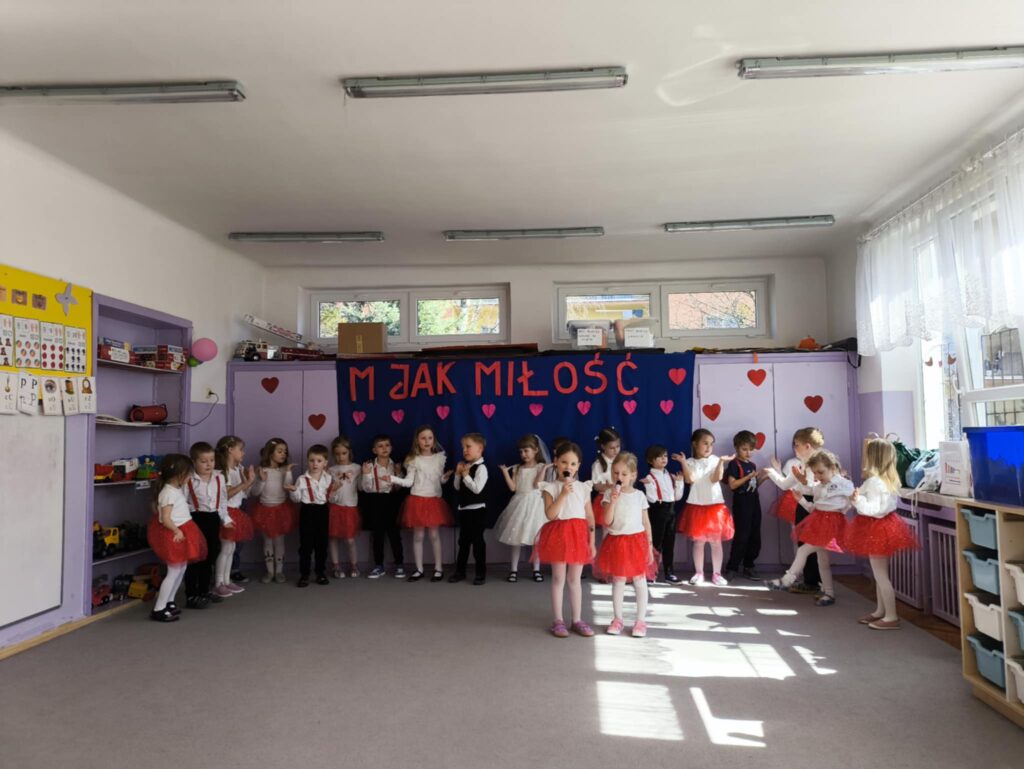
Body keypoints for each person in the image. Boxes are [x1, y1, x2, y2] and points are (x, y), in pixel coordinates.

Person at [846, 438, 919, 629]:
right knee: (881, 574)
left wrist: (857, 500)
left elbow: (873, 510)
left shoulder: (874, 482)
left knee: (880, 576)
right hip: (886, 527)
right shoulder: (889, 480)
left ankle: (891, 617)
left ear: (872, 458)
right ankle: (881, 611)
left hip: (876, 527)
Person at [766, 449, 853, 606]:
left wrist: (847, 507)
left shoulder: (844, 484)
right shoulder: (818, 487)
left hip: (832, 526)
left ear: (833, 468)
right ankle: (829, 594)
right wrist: (801, 500)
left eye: (821, 472)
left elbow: (851, 501)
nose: (818, 476)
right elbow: (814, 508)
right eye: (815, 473)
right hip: (819, 523)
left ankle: (787, 580)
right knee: (822, 561)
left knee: (803, 550)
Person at [537, 441, 596, 638]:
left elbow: (589, 516)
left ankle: (577, 619)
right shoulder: (550, 487)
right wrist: (562, 494)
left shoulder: (583, 488)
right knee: (558, 578)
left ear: (578, 466)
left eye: (572, 463)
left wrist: (592, 541)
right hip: (558, 534)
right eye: (564, 462)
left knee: (574, 579)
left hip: (578, 535)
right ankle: (558, 620)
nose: (568, 467)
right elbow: (550, 514)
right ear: (556, 462)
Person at [598, 452, 654, 638]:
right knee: (619, 579)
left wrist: (650, 547)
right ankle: (618, 618)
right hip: (617, 541)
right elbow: (607, 521)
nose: (619, 477)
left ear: (633, 475)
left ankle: (640, 621)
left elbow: (646, 523)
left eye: (624, 474)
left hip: (637, 542)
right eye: (616, 473)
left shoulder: (639, 495)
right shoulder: (609, 493)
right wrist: (613, 501)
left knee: (639, 580)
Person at [763, 427, 825, 594]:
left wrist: (805, 484)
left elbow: (822, 488)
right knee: (803, 544)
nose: (794, 448)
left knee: (814, 547)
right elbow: (785, 484)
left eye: (797, 445)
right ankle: (811, 582)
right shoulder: (800, 464)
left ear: (807, 446)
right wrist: (771, 472)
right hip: (802, 504)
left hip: (815, 505)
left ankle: (817, 583)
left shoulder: (821, 463)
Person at [390, 425, 453, 582]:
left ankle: (438, 568)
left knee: (434, 535)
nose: (427, 441)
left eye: (430, 438)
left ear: (434, 440)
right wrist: (391, 478)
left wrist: (445, 478)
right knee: (418, 536)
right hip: (417, 500)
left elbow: (439, 480)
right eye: (423, 438)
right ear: (417, 441)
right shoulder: (413, 460)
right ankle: (419, 569)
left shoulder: (439, 458)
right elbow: (408, 482)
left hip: (434, 500)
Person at [147, 454, 207, 622]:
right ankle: (159, 608)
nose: (190, 477)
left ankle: (169, 602)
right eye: (188, 474)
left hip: (182, 531)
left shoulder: (175, 490)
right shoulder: (167, 493)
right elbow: (165, 518)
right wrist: (176, 531)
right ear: (179, 474)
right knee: (173, 571)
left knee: (181, 568)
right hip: (174, 534)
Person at [673, 430, 735, 586]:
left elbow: (716, 478)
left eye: (711, 444)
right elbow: (690, 479)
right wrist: (683, 462)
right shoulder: (691, 462)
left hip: (715, 506)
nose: (709, 447)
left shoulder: (715, 460)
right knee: (699, 542)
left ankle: (716, 574)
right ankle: (699, 573)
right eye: (705, 443)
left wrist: (721, 462)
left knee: (716, 542)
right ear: (695, 444)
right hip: (697, 507)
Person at [184, 442, 233, 606]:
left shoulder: (219, 477)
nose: (209, 464)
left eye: (211, 460)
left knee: (210, 555)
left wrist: (226, 519)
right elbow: (182, 502)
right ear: (194, 462)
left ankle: (204, 590)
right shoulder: (189, 479)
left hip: (213, 519)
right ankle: (191, 594)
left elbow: (223, 501)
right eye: (203, 461)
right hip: (195, 519)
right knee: (194, 557)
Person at [495, 434, 549, 583]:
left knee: (536, 540)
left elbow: (537, 485)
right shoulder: (517, 468)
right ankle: (513, 570)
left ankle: (536, 569)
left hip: (535, 505)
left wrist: (543, 469)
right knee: (516, 538)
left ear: (536, 450)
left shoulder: (540, 467)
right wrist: (505, 473)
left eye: (526, 451)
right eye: (521, 452)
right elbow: (513, 488)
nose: (523, 454)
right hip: (519, 503)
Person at [250, 438, 296, 584]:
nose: (283, 454)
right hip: (264, 511)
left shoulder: (283, 470)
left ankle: (279, 571)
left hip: (281, 510)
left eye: (285, 452)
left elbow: (288, 487)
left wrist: (288, 472)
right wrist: (262, 480)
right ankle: (270, 571)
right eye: (279, 451)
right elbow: (255, 493)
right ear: (270, 453)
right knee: (268, 541)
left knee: (279, 541)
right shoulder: (261, 470)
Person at [360, 434, 406, 579]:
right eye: (380, 446)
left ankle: (399, 564)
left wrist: (398, 474)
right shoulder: (369, 466)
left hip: (392, 501)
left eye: (387, 445)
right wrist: (366, 474)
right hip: (375, 501)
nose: (384, 448)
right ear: (374, 450)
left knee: (394, 534)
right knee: (377, 535)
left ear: (391, 448)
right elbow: (365, 488)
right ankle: (378, 565)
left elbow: (398, 488)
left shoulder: (395, 466)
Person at [214, 435, 255, 596]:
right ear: (230, 450)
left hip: (236, 511)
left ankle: (227, 580)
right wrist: (245, 483)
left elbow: (243, 494)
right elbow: (225, 495)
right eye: (241, 449)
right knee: (225, 548)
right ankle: (219, 582)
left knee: (231, 548)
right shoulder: (221, 472)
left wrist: (249, 483)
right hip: (226, 512)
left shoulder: (237, 469)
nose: (243, 453)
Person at [289, 444, 334, 587]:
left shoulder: (328, 478)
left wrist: (335, 490)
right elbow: (296, 499)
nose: (315, 464)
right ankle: (304, 574)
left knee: (322, 544)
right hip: (307, 511)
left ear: (325, 463)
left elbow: (330, 498)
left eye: (319, 461)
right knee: (306, 545)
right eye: (312, 460)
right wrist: (294, 491)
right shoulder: (302, 479)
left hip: (322, 511)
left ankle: (320, 573)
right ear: (307, 461)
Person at [641, 444, 685, 584]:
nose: (663, 459)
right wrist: (648, 485)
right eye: (659, 457)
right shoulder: (650, 477)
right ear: (650, 460)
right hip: (657, 511)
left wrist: (679, 482)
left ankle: (669, 572)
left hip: (671, 511)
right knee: (655, 544)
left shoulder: (670, 476)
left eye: (665, 456)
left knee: (669, 544)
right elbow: (652, 499)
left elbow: (677, 497)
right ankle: (651, 572)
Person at [450, 432, 489, 585]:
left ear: (480, 448)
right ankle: (460, 571)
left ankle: (480, 573)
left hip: (477, 511)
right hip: (464, 510)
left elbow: (477, 489)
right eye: (463, 448)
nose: (465, 450)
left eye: (468, 447)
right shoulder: (465, 466)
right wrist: (458, 474)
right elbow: (457, 487)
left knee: (478, 542)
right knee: (463, 542)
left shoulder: (481, 468)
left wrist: (466, 476)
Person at [722, 431, 763, 581]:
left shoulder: (752, 465)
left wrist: (765, 477)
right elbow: (732, 485)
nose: (748, 453)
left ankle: (749, 566)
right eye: (744, 449)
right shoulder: (734, 464)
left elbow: (753, 486)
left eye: (751, 449)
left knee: (755, 536)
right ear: (737, 448)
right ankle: (732, 567)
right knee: (742, 536)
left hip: (754, 502)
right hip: (742, 503)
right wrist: (748, 477)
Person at [327, 436, 362, 579]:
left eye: (344, 453)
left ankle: (354, 565)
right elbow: (328, 492)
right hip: (335, 508)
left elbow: (361, 487)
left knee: (350, 539)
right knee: (333, 538)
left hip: (350, 508)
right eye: (337, 454)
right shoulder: (331, 470)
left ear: (349, 452)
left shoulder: (357, 468)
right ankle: (336, 565)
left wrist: (366, 474)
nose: (340, 457)